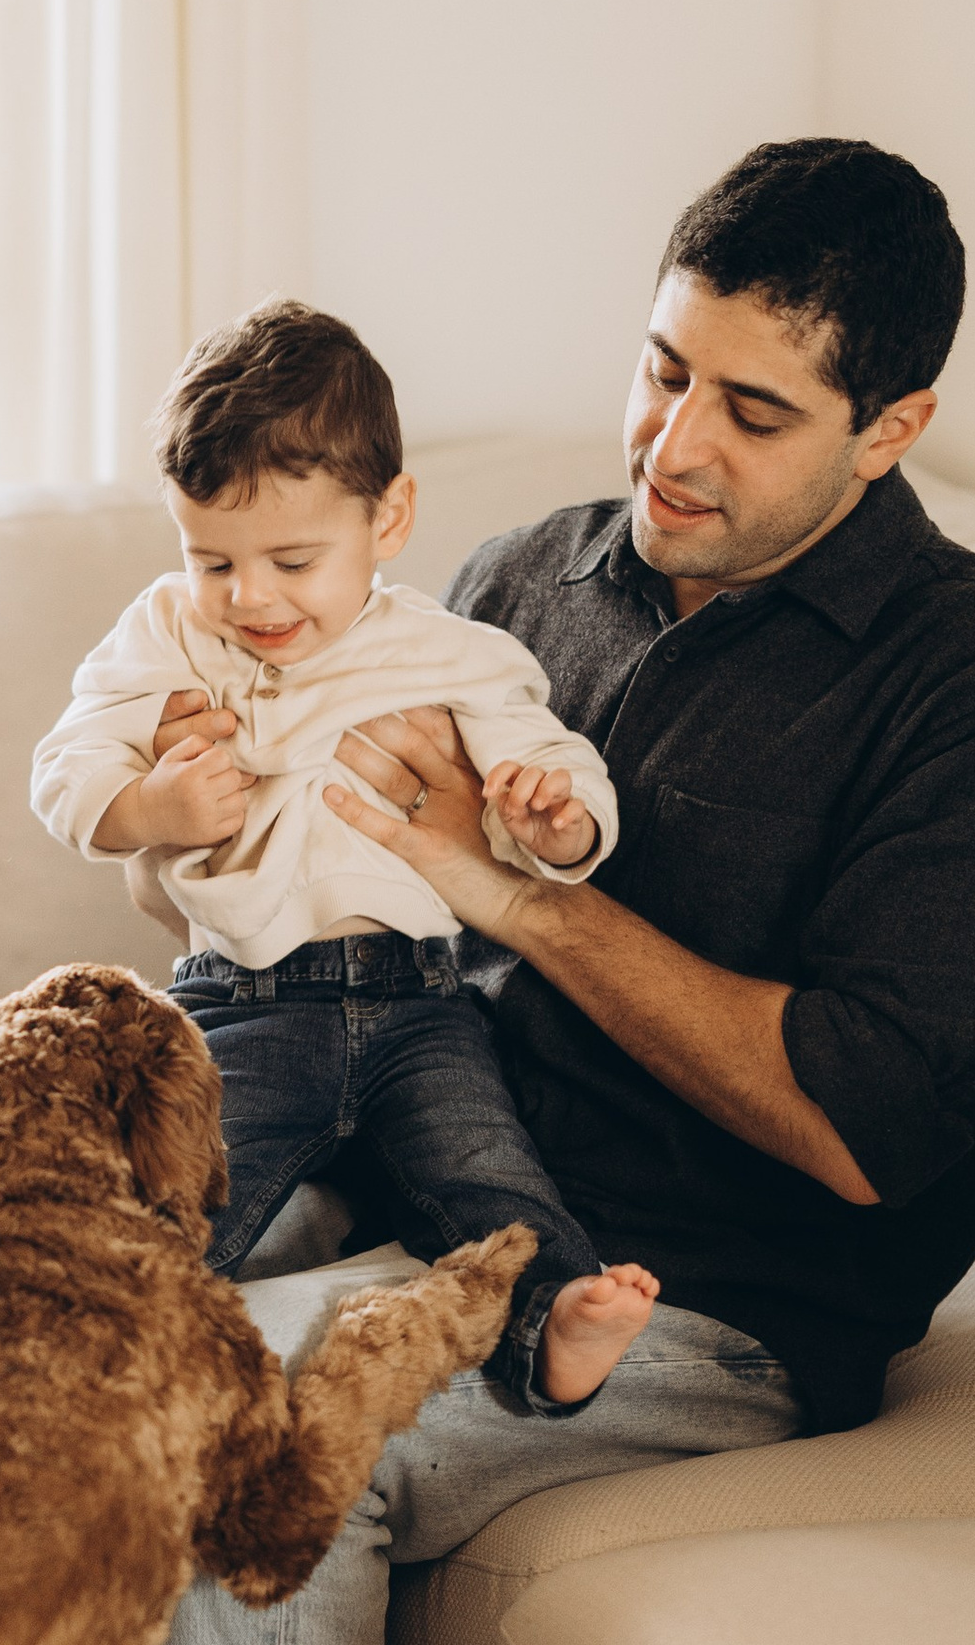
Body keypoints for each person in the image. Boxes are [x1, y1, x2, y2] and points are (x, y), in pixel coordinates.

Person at [17, 141, 975, 1645]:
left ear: (891, 432)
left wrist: (500, 894)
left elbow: (866, 1122)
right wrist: (184, 817)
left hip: (704, 1293)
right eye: (656, 370)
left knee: (257, 1407)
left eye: (748, 411)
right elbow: (285, 889)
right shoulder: (530, 578)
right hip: (402, 1147)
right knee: (32, 1345)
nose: (668, 444)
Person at [32, 300, 658, 1403]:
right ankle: (87, 1346)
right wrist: (149, 807)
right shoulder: (168, 631)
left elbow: (549, 759)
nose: (251, 597)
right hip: (244, 997)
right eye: (212, 560)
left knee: (486, 1171)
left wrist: (558, 822)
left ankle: (555, 1324)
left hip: (422, 1000)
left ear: (390, 518)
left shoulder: (452, 652)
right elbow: (66, 764)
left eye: (290, 558)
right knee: (175, 1191)